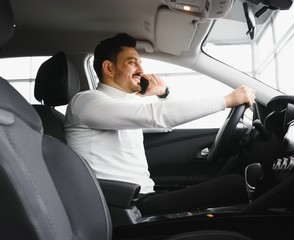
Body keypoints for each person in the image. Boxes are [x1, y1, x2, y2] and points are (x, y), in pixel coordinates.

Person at [64, 33, 256, 215]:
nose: (141, 70)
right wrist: (227, 100)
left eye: (140, 63)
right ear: (108, 68)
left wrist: (162, 94)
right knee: (234, 185)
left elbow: (163, 125)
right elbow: (155, 116)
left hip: (139, 199)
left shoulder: (122, 105)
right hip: (121, 205)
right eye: (132, 63)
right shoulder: (87, 102)